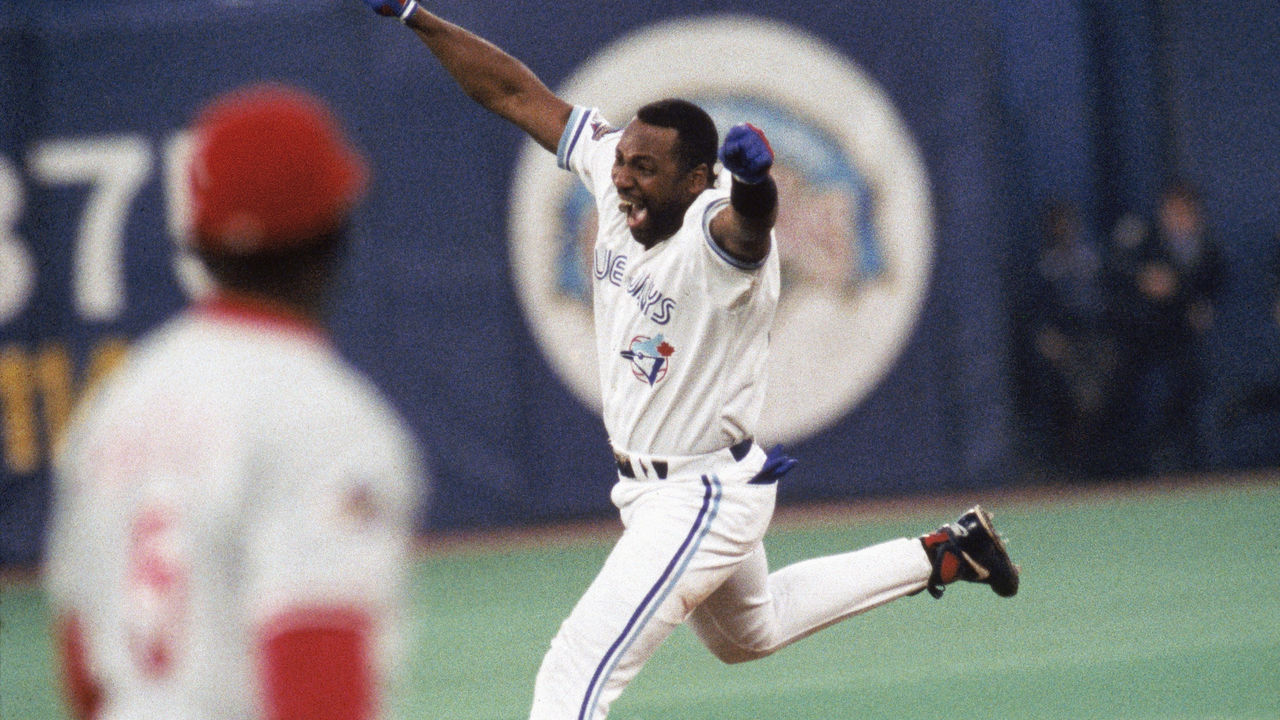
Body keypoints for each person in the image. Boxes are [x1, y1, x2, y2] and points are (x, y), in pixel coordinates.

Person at [358, 3, 1019, 718]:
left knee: (572, 674)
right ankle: (947, 552)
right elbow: (516, 93)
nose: (623, 178)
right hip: (663, 488)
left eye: (645, 168)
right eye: (621, 162)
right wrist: (414, 15)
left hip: (699, 495)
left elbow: (750, 228)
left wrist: (759, 184)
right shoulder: (617, 191)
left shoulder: (716, 238)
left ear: (700, 178)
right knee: (749, 632)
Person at [43, 84, 425, 720]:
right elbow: (318, 678)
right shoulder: (326, 418)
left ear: (197, 238)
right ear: (335, 231)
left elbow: (83, 660)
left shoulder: (119, 400)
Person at [1103, 180, 1226, 473]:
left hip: (1181, 340)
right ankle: (1135, 474)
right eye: (1172, 211)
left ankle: (1194, 472)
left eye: (1184, 212)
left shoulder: (1206, 246)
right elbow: (1114, 270)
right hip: (1141, 336)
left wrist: (1194, 298)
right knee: (1137, 405)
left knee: (1188, 402)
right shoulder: (1143, 237)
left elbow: (1214, 282)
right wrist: (1142, 278)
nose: (1177, 218)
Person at [1023, 200, 1115, 474]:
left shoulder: (1090, 259)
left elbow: (1106, 302)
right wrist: (1046, 335)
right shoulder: (1042, 265)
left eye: (1069, 223)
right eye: (1058, 225)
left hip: (1095, 338)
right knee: (1074, 399)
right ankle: (1071, 468)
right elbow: (1033, 309)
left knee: (1102, 395)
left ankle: (1103, 466)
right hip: (1064, 342)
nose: (1065, 230)